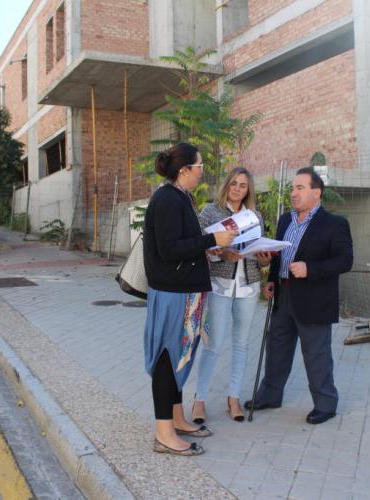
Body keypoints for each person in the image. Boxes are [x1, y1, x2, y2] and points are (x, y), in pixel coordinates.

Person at [143, 143, 237, 456]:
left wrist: (206, 249)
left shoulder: (180, 197)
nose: (202, 171)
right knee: (168, 360)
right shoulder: (167, 198)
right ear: (184, 170)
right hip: (172, 294)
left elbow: (182, 244)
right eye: (199, 166)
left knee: (180, 356)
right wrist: (213, 239)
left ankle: (178, 418)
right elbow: (169, 249)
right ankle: (164, 433)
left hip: (184, 291)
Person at [244, 167, 353, 425]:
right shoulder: (285, 220)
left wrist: (310, 269)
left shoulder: (335, 224)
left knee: (316, 353)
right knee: (276, 347)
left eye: (300, 188)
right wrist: (272, 280)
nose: (293, 193)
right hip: (284, 295)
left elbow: (345, 260)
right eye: (292, 188)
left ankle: (326, 404)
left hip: (314, 298)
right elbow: (280, 254)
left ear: (317, 192)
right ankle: (270, 395)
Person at [192, 167, 270, 424]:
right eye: (234, 183)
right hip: (220, 284)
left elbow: (259, 256)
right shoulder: (210, 212)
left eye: (243, 185)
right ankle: (199, 400)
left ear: (249, 190)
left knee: (242, 343)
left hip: (248, 286)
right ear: (227, 185)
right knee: (214, 344)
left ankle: (233, 397)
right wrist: (221, 253)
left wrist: (264, 260)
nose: (238, 189)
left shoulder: (254, 215)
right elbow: (199, 250)